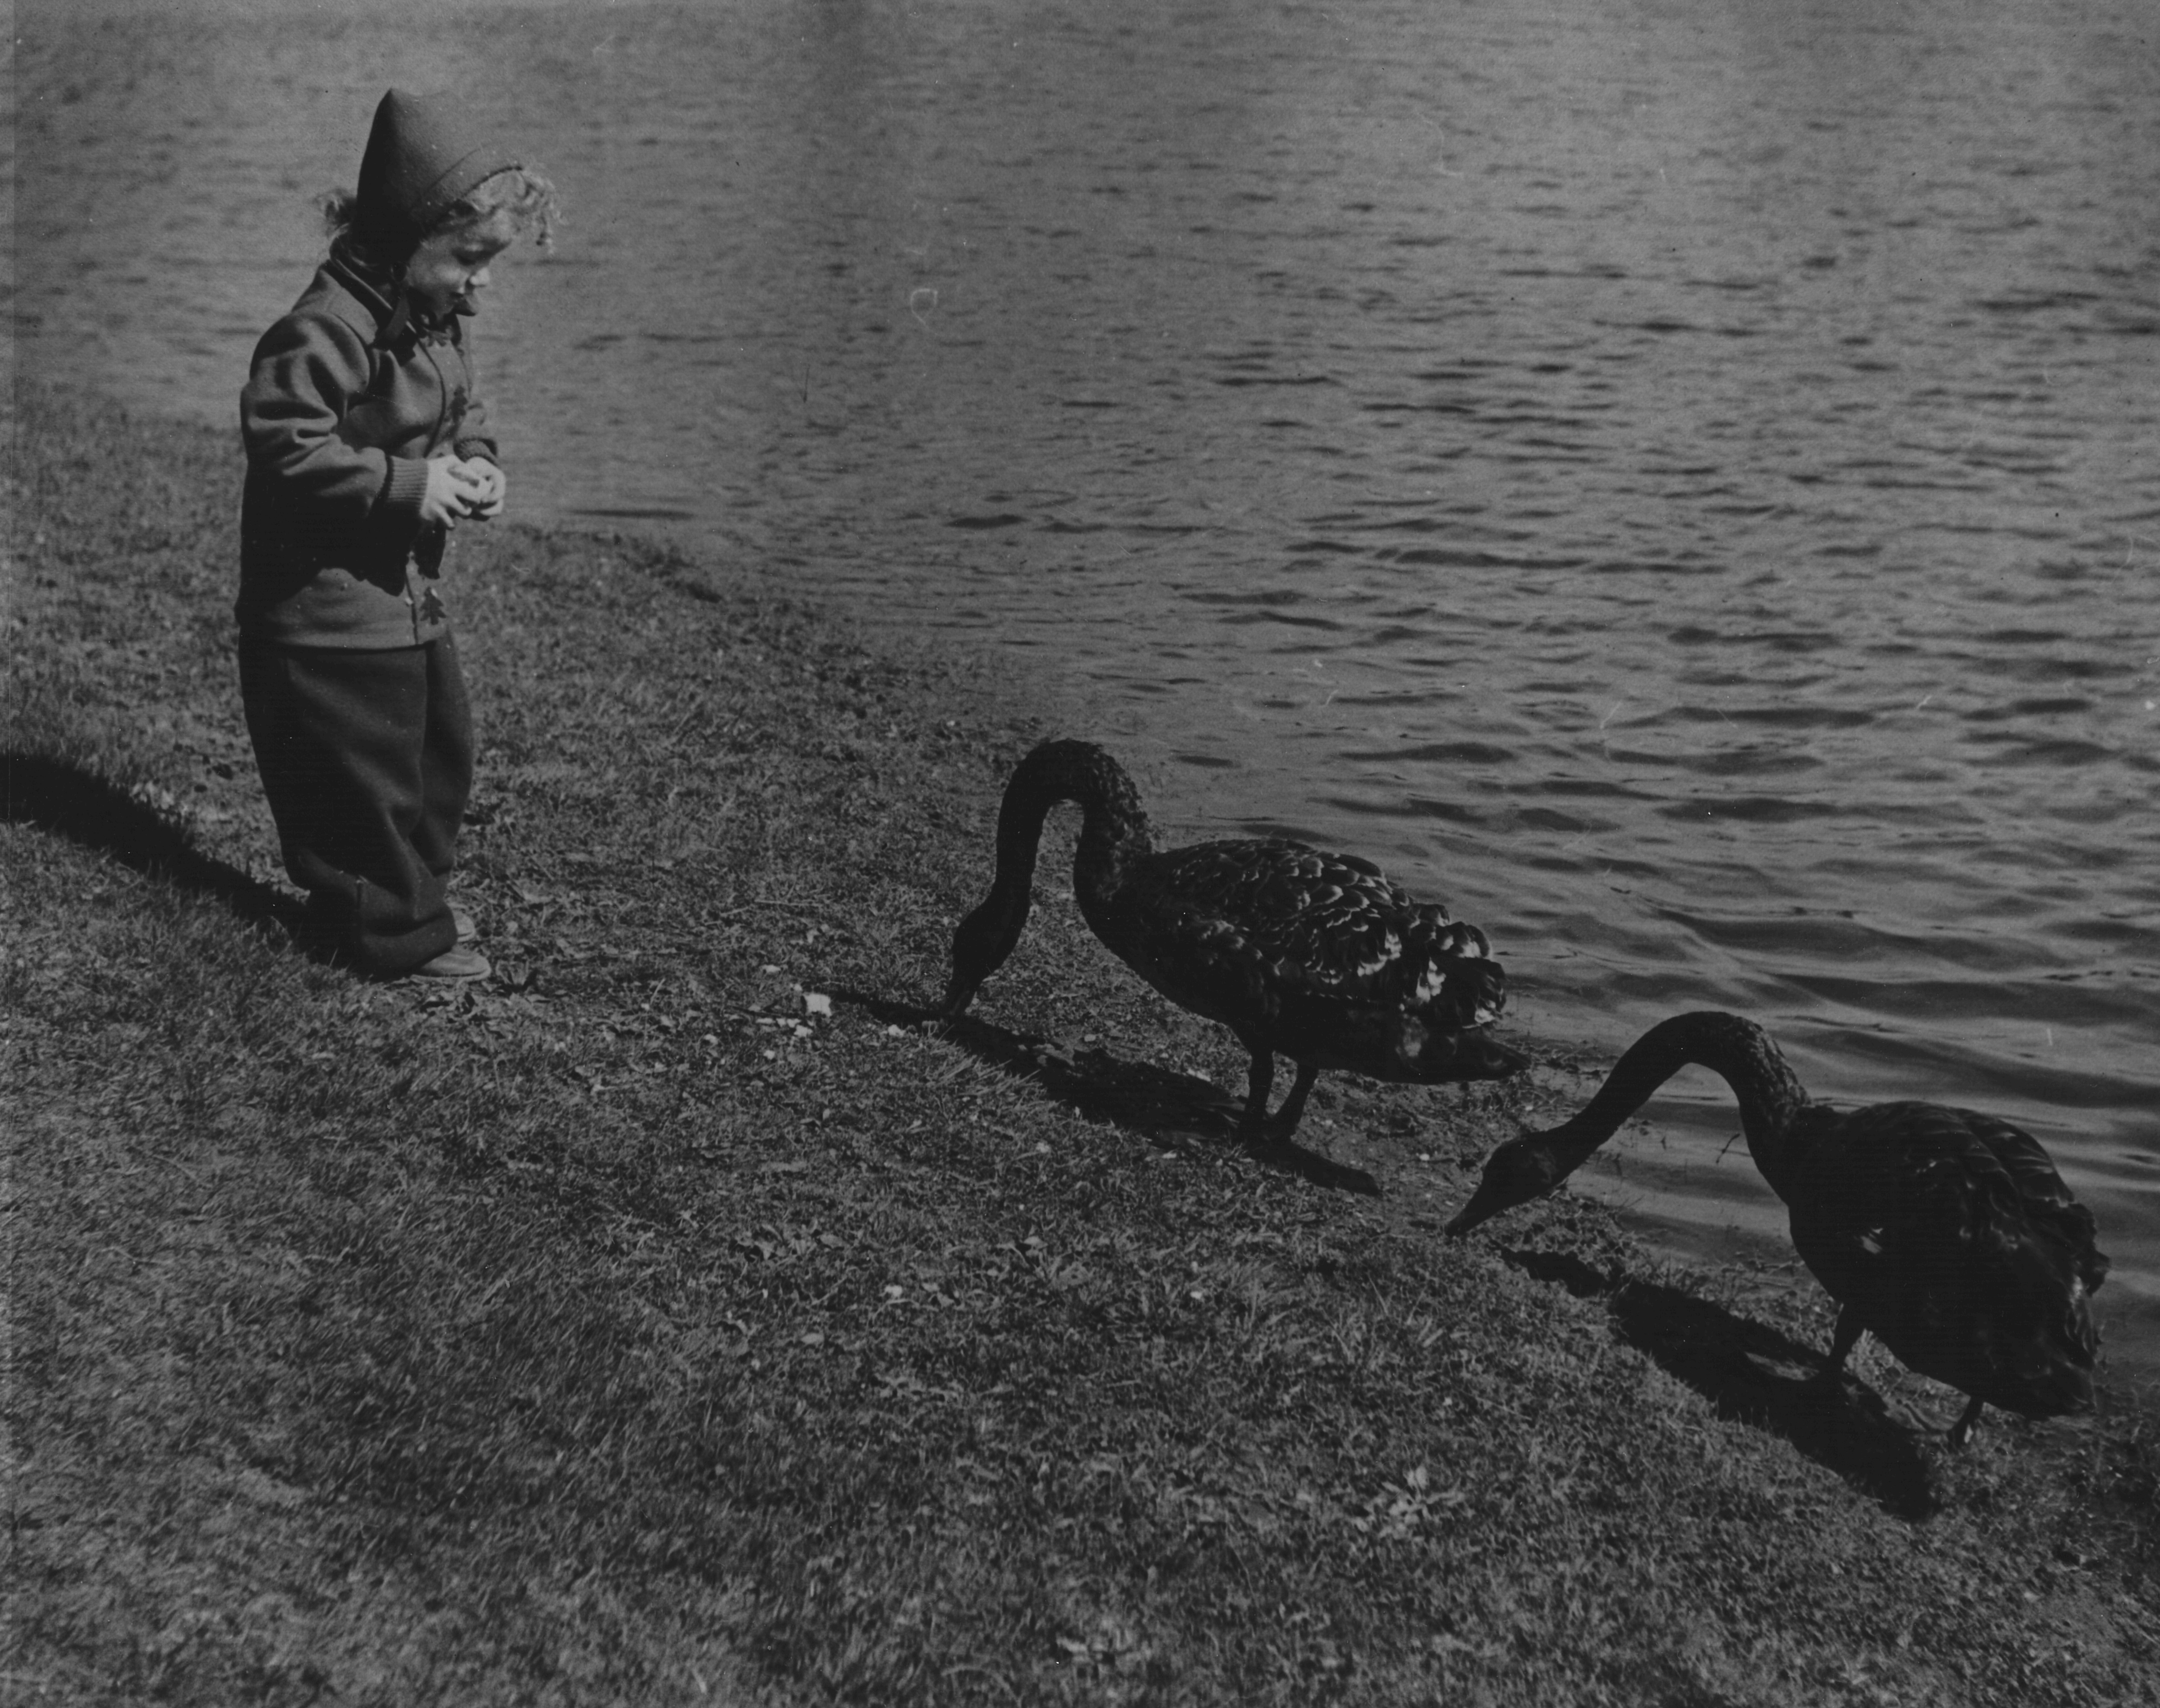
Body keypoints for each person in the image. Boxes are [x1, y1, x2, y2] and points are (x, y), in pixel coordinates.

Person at [236, 89, 557, 979]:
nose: (480, 285)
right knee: (361, 776)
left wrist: (474, 459)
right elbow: (285, 445)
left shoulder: (431, 315)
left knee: (436, 752)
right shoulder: (325, 328)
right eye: (471, 260)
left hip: (399, 596)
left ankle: (413, 898)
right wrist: (412, 486)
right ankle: (385, 932)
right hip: (324, 612)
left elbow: (461, 404)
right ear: (408, 236)